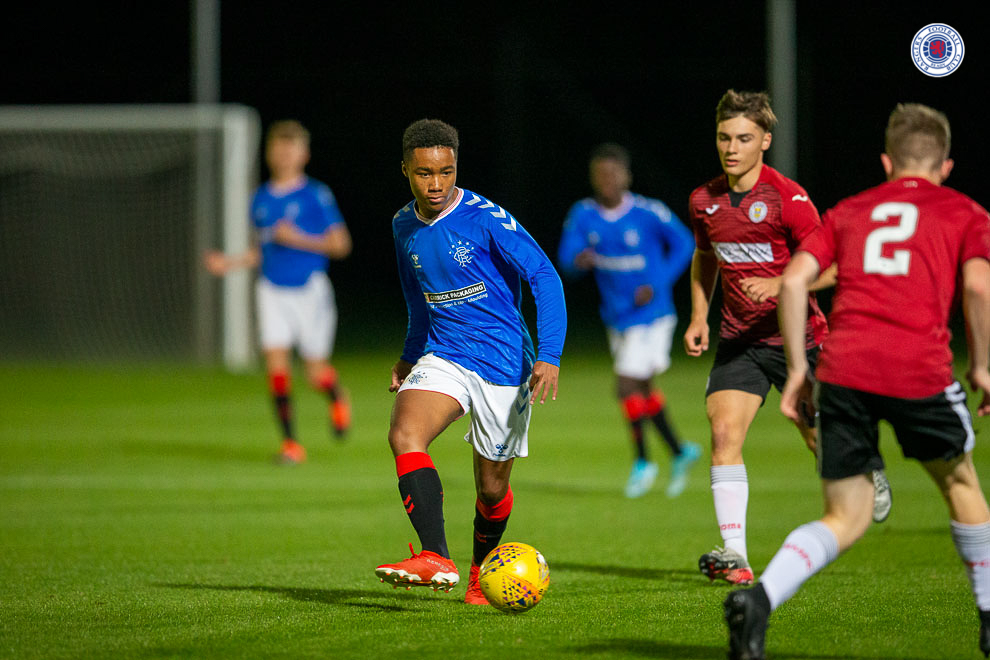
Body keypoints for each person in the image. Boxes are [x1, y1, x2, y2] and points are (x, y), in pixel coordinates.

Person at [724, 103, 990, 660]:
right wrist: (983, 366)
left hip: (843, 372)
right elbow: (979, 289)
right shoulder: (964, 211)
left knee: (845, 515)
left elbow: (794, 283)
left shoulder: (849, 212)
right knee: (961, 486)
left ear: (888, 161)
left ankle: (760, 601)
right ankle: (988, 619)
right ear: (944, 166)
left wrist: (799, 369)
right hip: (919, 371)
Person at [684, 89, 892, 586]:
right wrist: (698, 316)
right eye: (723, 137)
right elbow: (706, 257)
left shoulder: (788, 198)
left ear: (765, 141)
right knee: (723, 434)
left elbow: (834, 264)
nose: (731, 148)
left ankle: (867, 462)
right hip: (739, 342)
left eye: (744, 138)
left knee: (821, 439)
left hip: (800, 341)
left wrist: (783, 284)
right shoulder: (703, 200)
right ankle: (736, 555)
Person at [373, 119, 566, 604]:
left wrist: (550, 354)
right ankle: (436, 556)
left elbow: (545, 277)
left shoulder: (486, 219)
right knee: (404, 434)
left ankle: (481, 570)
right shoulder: (403, 226)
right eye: (424, 173)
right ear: (405, 171)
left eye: (446, 171)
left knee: (492, 487)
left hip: (503, 361)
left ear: (456, 167)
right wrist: (409, 354)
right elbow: (418, 300)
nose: (436, 184)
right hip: (445, 353)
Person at [204, 119, 352, 464]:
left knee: (314, 371)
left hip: (309, 290)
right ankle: (290, 445)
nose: (284, 156)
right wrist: (230, 263)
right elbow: (265, 248)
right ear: (270, 153)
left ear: (304, 154)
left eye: (291, 149)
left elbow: (341, 245)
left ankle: (336, 396)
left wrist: (297, 238)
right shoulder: (260, 199)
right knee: (276, 366)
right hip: (271, 288)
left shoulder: (315, 194)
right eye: (278, 149)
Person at [558, 142, 700, 498]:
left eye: (613, 173)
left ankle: (642, 463)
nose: (607, 180)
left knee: (625, 384)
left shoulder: (649, 212)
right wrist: (580, 259)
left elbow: (685, 244)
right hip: (616, 316)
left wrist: (658, 282)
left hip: (653, 316)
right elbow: (565, 258)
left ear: (626, 176)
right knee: (642, 388)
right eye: (600, 175)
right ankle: (680, 452)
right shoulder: (583, 214)